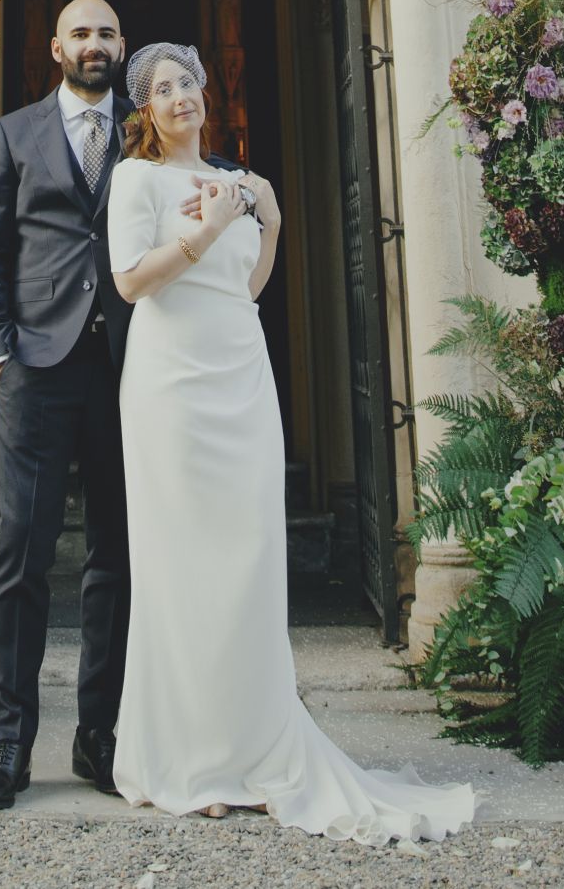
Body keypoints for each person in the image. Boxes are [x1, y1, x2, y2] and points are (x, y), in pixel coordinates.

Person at [107, 42, 478, 845]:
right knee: (183, 566)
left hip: (241, 377)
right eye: (162, 89)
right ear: (145, 111)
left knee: (246, 564)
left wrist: (265, 224)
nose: (180, 97)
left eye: (188, 84)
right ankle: (191, 762)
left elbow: (246, 287)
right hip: (171, 387)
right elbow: (132, 281)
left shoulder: (238, 181)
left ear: (208, 94)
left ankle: (251, 747)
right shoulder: (137, 180)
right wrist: (203, 234)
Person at [0, 0, 132, 811]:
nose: (93, 44)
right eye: (80, 33)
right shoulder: (13, 133)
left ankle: (98, 736)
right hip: (35, 364)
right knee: (19, 554)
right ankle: (11, 742)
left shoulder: (147, 130)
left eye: (106, 33)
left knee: (117, 554)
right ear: (54, 46)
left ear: (121, 46)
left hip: (131, 368)